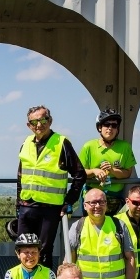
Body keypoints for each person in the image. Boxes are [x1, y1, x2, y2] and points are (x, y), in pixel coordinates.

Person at [16, 104, 87, 269]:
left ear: (50, 120)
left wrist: (69, 201)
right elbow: (20, 176)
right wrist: (18, 204)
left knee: (43, 251)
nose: (39, 125)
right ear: (28, 125)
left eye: (43, 120)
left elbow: (80, 174)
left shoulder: (61, 143)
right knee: (23, 249)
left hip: (50, 209)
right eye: (34, 122)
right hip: (26, 206)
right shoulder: (26, 143)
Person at [69, 187, 135, 279]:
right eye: (93, 202)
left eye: (101, 202)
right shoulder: (77, 227)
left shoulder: (119, 225)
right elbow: (69, 261)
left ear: (106, 204)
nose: (97, 206)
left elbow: (130, 258)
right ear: (85, 205)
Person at [79, 108, 137, 216]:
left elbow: (128, 173)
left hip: (114, 198)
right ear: (99, 127)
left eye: (114, 125)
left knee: (113, 226)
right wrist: (94, 171)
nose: (110, 128)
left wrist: (112, 170)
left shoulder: (125, 147)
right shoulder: (88, 146)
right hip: (92, 198)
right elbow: (80, 172)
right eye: (106, 125)